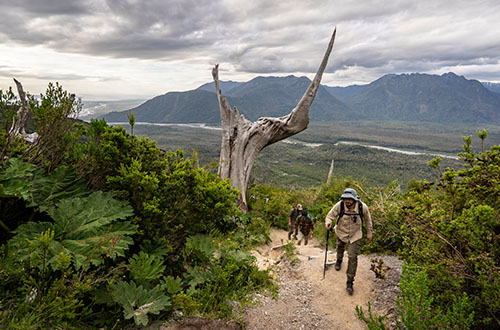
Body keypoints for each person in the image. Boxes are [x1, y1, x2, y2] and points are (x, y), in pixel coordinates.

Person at [325, 188, 372, 295]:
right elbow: (330, 215)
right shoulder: (340, 205)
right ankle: (339, 260)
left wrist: (369, 234)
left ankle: (350, 281)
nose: (347, 201)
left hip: (355, 235)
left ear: (354, 199)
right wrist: (328, 223)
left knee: (352, 257)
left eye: (350, 199)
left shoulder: (362, 207)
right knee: (339, 247)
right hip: (341, 231)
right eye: (346, 199)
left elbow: (368, 221)